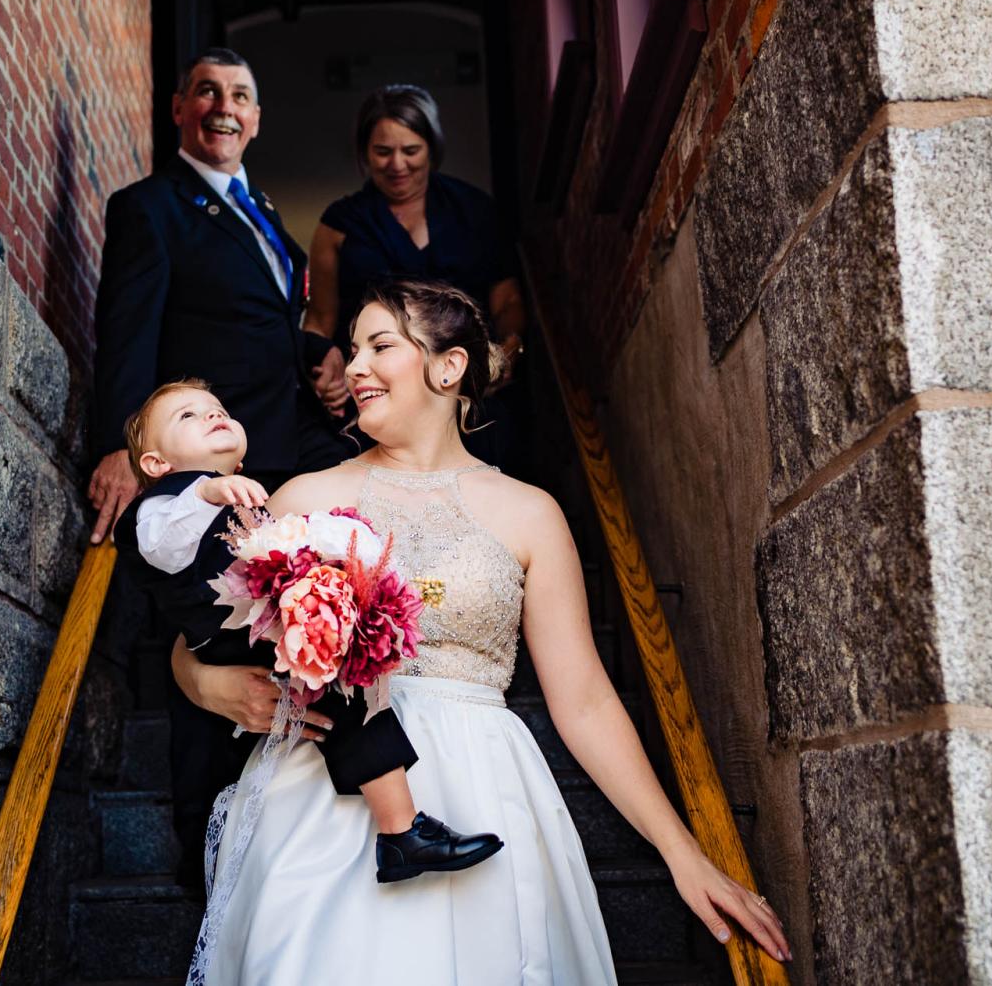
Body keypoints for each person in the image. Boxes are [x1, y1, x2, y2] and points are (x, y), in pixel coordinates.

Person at [172, 280, 790, 983]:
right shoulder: (304, 497)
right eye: (350, 352)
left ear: (449, 366)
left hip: (484, 781)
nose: (354, 368)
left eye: (379, 346)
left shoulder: (531, 513)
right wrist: (206, 683)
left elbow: (584, 699)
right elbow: (200, 631)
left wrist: (685, 853)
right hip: (323, 792)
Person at [89, 47, 353, 883]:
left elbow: (263, 323)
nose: (223, 106)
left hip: (279, 450)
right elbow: (128, 331)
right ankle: (208, 866)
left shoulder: (265, 210)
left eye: (240, 93)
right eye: (206, 91)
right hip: (202, 471)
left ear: (259, 116)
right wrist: (125, 452)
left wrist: (319, 356)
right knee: (216, 649)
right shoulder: (150, 207)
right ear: (178, 110)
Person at [115, 378, 503, 886]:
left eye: (217, 408)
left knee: (347, 690)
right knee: (339, 686)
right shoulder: (161, 507)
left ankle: (400, 831)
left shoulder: (249, 501)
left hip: (263, 631)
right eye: (187, 417)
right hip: (226, 642)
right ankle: (401, 831)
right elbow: (159, 543)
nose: (212, 415)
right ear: (156, 466)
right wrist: (206, 490)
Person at [303, 85, 528, 476]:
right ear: (364, 153)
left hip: (467, 395)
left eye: (411, 151)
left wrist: (509, 348)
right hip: (377, 396)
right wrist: (323, 361)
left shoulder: (475, 210)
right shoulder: (338, 223)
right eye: (382, 151)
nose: (397, 165)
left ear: (432, 148)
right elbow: (320, 319)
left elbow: (506, 299)